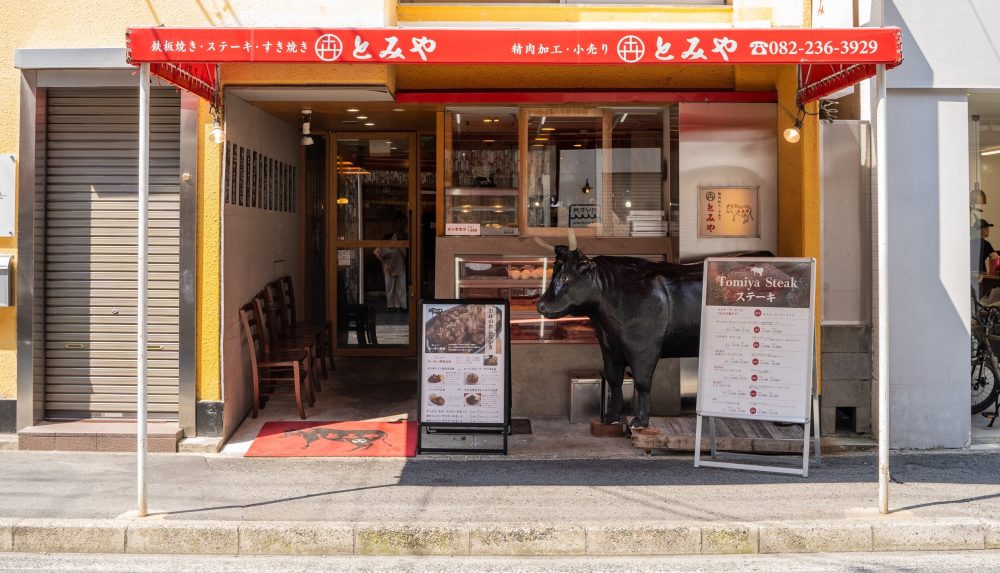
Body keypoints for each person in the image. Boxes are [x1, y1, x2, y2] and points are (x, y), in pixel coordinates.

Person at [374, 214, 408, 312]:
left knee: (401, 287)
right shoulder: (386, 239)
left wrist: (397, 245)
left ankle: (400, 306)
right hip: (389, 267)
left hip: (400, 267)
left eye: (402, 223)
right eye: (398, 223)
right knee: (390, 288)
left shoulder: (404, 238)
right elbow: (377, 251)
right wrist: (383, 262)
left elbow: (405, 254)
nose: (400, 225)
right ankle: (390, 306)